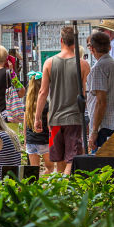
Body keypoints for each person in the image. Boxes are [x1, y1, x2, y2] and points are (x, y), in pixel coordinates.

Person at [35, 26, 89, 175]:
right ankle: (66, 187)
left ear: (61, 41)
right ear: (76, 42)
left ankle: (61, 192)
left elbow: (43, 92)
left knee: (59, 160)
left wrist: (37, 117)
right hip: (74, 118)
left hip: (55, 119)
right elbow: (85, 94)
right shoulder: (83, 65)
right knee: (73, 159)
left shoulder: (49, 63)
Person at [86, 31, 114, 152]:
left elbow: (101, 102)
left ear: (92, 49)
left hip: (104, 129)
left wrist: (94, 131)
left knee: (102, 167)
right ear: (109, 47)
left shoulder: (99, 68)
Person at [23, 75, 53, 174]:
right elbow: (49, 125)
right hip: (44, 140)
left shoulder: (27, 104)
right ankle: (44, 187)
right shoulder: (47, 104)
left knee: (33, 171)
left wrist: (25, 139)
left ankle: (34, 187)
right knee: (50, 168)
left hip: (31, 140)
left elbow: (25, 123)